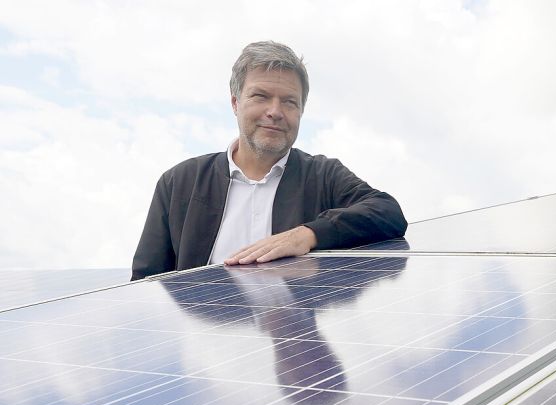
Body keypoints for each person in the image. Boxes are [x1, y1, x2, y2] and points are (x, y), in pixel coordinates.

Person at [131, 41, 407, 280]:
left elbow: (387, 212)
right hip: (205, 336)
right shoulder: (179, 183)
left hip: (290, 338)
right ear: (235, 102)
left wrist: (307, 235)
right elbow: (146, 284)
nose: (275, 112)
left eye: (289, 102)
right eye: (261, 96)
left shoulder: (323, 175)